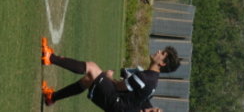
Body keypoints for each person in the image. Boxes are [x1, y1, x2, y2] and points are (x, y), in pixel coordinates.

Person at [41, 37, 179, 111]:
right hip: (120, 105)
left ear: (162, 63)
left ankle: (50, 58)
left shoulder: (145, 78)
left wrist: (108, 77)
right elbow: (136, 97)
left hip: (117, 104)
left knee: (92, 68)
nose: (159, 51)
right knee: (88, 79)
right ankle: (52, 97)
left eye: (162, 53)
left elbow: (119, 87)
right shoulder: (152, 79)